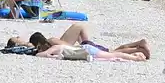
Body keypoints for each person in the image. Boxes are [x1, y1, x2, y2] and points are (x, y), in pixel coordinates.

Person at [10, 24, 148, 61]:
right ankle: (137, 45)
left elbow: (69, 48)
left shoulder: (52, 43)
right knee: (113, 51)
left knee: (113, 52)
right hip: (85, 46)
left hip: (85, 48)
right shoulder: (51, 42)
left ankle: (139, 47)